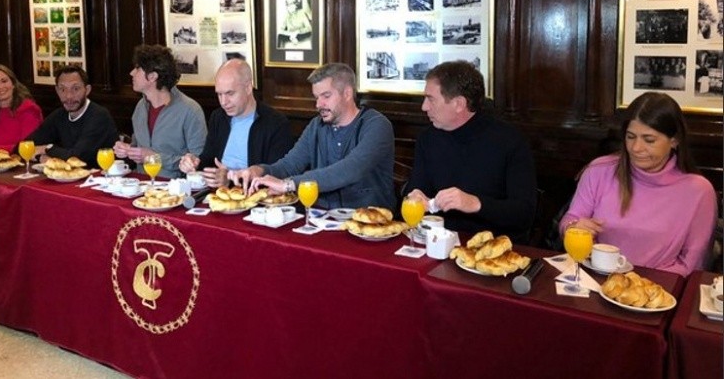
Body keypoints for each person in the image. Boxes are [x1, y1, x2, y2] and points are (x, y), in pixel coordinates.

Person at [560, 92, 716, 276]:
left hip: (659, 290)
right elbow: (569, 221)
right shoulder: (599, 171)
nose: (636, 148)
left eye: (649, 140)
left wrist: (639, 285)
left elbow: (693, 264)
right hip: (596, 278)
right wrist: (573, 228)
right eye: (630, 137)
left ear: (674, 141)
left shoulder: (698, 191)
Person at [232, 62, 396, 210]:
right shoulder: (316, 126)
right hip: (321, 217)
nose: (318, 105)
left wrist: (289, 185)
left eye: (326, 96)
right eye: (316, 98)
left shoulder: (376, 125)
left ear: (347, 93)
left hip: (369, 221)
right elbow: (290, 165)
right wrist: (259, 170)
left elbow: (349, 169)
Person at [405, 61, 537, 244]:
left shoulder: (509, 141)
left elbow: (524, 214)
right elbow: (418, 189)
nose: (424, 107)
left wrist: (475, 204)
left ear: (459, 104)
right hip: (438, 242)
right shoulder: (428, 138)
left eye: (431, 99)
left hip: (494, 250)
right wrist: (416, 197)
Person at [178, 59, 294, 188]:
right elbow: (209, 161)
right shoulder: (219, 117)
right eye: (219, 94)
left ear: (248, 88)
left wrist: (230, 180)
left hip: (254, 198)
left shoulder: (276, 123)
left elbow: (276, 176)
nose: (223, 102)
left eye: (230, 93)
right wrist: (194, 163)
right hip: (217, 194)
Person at [114, 44, 206, 178]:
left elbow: (199, 161)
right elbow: (137, 146)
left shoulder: (190, 110)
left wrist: (155, 157)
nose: (131, 73)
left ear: (152, 76)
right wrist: (126, 149)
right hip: (140, 186)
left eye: (137, 68)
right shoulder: (140, 106)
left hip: (175, 190)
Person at [25, 65, 119, 167]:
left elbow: (77, 157)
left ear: (87, 90)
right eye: (63, 89)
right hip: (70, 178)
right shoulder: (58, 115)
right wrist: (42, 157)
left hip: (103, 178)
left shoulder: (99, 116)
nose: (68, 96)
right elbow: (24, 146)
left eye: (75, 89)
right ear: (57, 91)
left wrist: (47, 148)